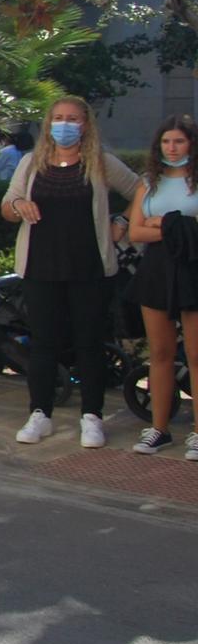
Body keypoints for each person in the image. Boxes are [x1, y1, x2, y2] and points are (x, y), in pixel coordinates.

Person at [1, 96, 138, 446]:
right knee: (44, 344)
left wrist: (122, 220)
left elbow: (140, 189)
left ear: (86, 125)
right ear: (48, 125)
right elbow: (7, 204)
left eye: (72, 118)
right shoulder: (31, 163)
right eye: (58, 118)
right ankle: (39, 414)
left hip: (89, 267)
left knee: (89, 344)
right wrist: (19, 204)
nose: (65, 124)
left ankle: (91, 417)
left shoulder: (101, 163)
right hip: (40, 267)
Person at [128, 115, 198, 456]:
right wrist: (176, 227)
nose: (172, 148)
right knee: (160, 353)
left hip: (193, 269)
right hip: (156, 269)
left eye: (179, 141)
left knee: (197, 355)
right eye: (166, 142)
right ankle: (159, 428)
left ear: (191, 144)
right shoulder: (148, 182)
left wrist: (163, 223)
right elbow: (136, 231)